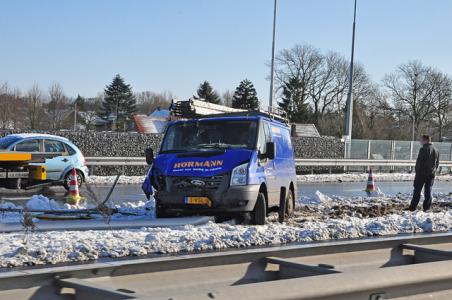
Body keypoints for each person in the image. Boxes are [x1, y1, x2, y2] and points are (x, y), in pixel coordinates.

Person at [408, 135, 439, 212]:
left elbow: (419, 162)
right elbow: (437, 163)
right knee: (428, 190)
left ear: (425, 140)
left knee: (417, 191)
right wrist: (434, 171)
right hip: (431, 174)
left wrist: (417, 172)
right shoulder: (436, 149)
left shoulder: (423, 149)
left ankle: (413, 207)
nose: (420, 141)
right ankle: (426, 207)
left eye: (421, 140)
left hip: (421, 174)